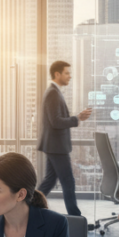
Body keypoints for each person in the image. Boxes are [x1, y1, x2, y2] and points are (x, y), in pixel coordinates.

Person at [37, 60, 91, 217]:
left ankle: (27, 208)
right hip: (56, 146)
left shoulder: (55, 92)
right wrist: (77, 118)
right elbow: (56, 121)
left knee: (49, 181)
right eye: (67, 73)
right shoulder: (53, 93)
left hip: (54, 145)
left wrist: (77, 118)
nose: (70, 76)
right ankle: (76, 218)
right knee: (68, 182)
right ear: (57, 74)